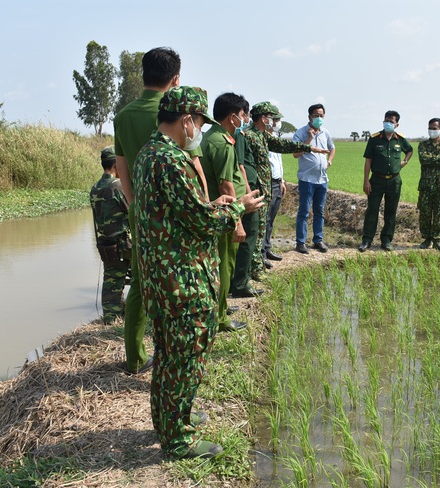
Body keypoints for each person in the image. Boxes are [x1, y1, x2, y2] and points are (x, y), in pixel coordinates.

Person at [133, 86, 264, 459]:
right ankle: (177, 439)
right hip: (181, 278)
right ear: (187, 121)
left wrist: (214, 203)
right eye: (198, 123)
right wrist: (238, 207)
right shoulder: (171, 160)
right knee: (185, 357)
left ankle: (173, 417)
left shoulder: (149, 153)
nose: (198, 132)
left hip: (163, 274)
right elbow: (202, 221)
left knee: (170, 354)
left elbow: (181, 211)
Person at [113, 47, 186, 375]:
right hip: (175, 213)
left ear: (144, 75)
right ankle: (173, 356)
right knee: (178, 281)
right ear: (175, 78)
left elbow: (121, 168)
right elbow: (192, 166)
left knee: (141, 284)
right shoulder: (177, 112)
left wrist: (134, 206)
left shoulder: (123, 115)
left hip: (140, 210)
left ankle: (135, 358)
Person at [231, 101, 328, 296]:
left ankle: (256, 270)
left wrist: (311, 149)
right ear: (263, 117)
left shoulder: (263, 136)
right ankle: (244, 278)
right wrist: (249, 191)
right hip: (255, 192)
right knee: (254, 234)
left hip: (266, 191)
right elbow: (241, 165)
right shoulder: (246, 136)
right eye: (272, 118)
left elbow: (284, 145)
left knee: (259, 232)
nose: (274, 122)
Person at [199, 92, 252, 332]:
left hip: (218, 212)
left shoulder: (214, 137)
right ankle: (220, 318)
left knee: (220, 264)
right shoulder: (221, 142)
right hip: (223, 215)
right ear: (233, 117)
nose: (245, 119)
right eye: (243, 115)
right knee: (224, 265)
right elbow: (225, 186)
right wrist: (237, 221)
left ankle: (219, 307)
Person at [358, 110, 414, 252]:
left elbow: (410, 150)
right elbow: (368, 161)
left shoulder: (400, 139)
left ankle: (386, 240)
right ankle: (367, 240)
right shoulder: (375, 138)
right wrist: (366, 181)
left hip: (394, 181)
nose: (388, 123)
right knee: (372, 210)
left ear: (397, 124)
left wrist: (405, 161)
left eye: (391, 121)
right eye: (386, 120)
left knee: (391, 211)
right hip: (376, 180)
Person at [90, 146, 131, 324]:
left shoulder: (95, 187)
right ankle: (123, 315)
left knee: (111, 280)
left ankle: (111, 317)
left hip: (106, 243)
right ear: (116, 165)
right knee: (137, 277)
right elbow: (133, 211)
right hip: (123, 243)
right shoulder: (118, 187)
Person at [292, 103, 335, 254]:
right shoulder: (301, 132)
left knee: (319, 211)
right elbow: (295, 153)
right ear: (309, 116)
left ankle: (318, 240)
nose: (319, 118)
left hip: (322, 179)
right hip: (307, 179)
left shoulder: (325, 132)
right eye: (316, 115)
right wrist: (309, 139)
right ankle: (301, 242)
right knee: (304, 211)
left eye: (321, 115)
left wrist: (329, 161)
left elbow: (332, 147)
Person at [417, 117, 440, 251]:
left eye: (434, 128)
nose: (431, 131)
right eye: (430, 128)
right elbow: (423, 159)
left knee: (439, 213)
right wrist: (439, 159)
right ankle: (426, 239)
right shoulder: (423, 145)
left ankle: (437, 240)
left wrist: (431, 158)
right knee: (425, 212)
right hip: (426, 184)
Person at [261, 112, 286, 266]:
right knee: (265, 219)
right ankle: (261, 254)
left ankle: (267, 248)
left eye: (279, 120)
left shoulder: (276, 139)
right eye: (275, 120)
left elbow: (279, 162)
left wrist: (282, 180)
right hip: (267, 183)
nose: (277, 123)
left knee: (272, 219)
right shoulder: (261, 139)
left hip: (277, 182)